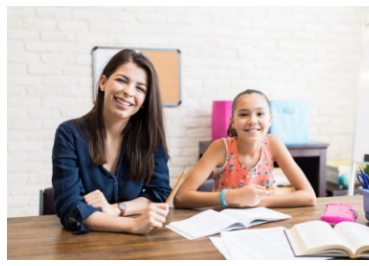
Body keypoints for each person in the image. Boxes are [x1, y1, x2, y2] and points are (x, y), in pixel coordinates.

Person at [52, 49, 171, 235]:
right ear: (103, 82)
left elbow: (159, 195)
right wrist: (132, 225)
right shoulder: (69, 134)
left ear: (145, 101)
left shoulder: (150, 137)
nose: (128, 92)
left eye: (140, 88)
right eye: (122, 80)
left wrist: (116, 208)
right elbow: (70, 207)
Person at [174, 89, 316, 209]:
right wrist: (232, 197)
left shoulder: (273, 144)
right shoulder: (220, 148)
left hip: (266, 222)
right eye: (243, 114)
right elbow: (181, 198)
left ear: (270, 120)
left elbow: (309, 196)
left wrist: (256, 202)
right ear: (233, 122)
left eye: (260, 114)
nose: (252, 120)